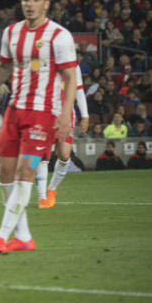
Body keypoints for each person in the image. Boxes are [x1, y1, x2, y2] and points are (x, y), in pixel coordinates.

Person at [0, 0, 79, 255]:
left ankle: (2, 235)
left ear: (46, 3)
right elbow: (4, 68)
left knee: (26, 173)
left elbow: (70, 77)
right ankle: (23, 236)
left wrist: (65, 115)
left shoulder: (60, 36)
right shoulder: (12, 33)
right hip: (15, 112)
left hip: (43, 115)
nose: (29, 4)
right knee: (5, 173)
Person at [35, 68, 90, 209]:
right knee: (43, 155)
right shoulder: (42, 61)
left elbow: (79, 89)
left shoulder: (73, 66)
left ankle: (52, 189)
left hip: (66, 114)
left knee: (64, 155)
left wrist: (85, 115)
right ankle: (42, 197)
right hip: (45, 112)